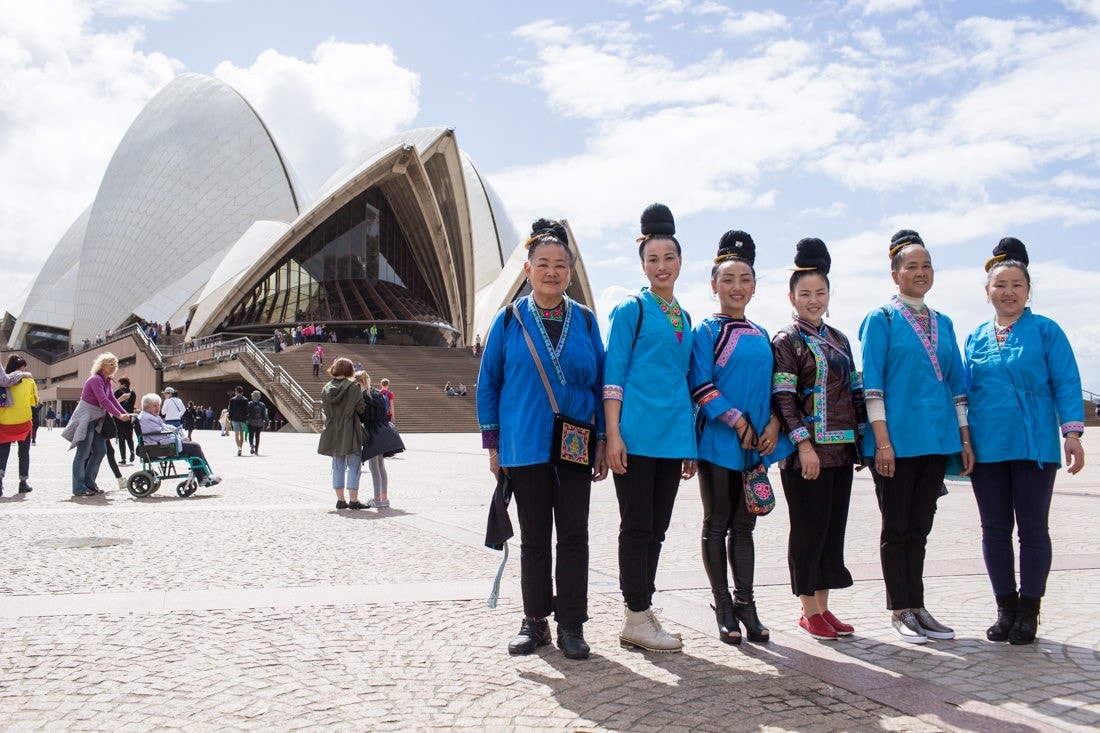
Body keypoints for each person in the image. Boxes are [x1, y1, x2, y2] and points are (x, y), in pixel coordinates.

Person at [477, 218, 608, 660]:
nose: (552, 272)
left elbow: (601, 383)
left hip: (574, 442)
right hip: (525, 443)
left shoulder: (586, 321)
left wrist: (604, 440)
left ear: (570, 272)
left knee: (574, 535)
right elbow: (489, 383)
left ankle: (571, 623)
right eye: (543, 264)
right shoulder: (509, 319)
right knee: (534, 537)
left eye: (560, 265)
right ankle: (535, 621)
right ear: (528, 269)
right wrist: (493, 444)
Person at [964, 237, 1085, 645]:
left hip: (1034, 445)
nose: (1009, 292)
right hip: (987, 446)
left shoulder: (1047, 331)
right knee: (994, 529)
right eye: (1000, 285)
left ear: (1028, 290)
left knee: (1032, 528)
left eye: (1017, 284)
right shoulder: (975, 337)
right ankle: (1006, 608)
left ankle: (1030, 610)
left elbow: (1067, 381)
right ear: (987, 293)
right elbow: (964, 392)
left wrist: (1071, 433)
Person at [859, 229, 973, 644]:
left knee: (920, 528)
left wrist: (963, 439)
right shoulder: (882, 320)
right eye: (912, 266)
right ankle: (899, 610)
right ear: (895, 274)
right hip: (894, 443)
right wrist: (883, 442)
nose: (920, 272)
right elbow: (873, 384)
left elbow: (957, 386)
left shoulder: (944, 322)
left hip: (936, 440)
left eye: (927, 266)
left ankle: (918, 605)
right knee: (897, 526)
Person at [689, 230, 792, 646]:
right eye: (728, 280)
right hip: (718, 441)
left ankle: (746, 603)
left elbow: (773, 386)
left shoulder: (761, 332)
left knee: (744, 526)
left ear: (754, 285)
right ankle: (722, 605)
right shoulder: (706, 332)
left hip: (756, 445)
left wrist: (773, 425)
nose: (736, 287)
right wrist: (735, 421)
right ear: (714, 285)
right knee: (717, 524)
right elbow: (700, 384)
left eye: (745, 279)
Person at [604, 203, 697, 653]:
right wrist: (613, 435)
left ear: (681, 262)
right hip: (636, 437)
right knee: (636, 526)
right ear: (642, 264)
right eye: (653, 258)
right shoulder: (630, 310)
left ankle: (641, 612)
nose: (662, 266)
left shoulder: (686, 317)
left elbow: (683, 383)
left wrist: (689, 444)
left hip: (672, 438)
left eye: (669, 258)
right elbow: (613, 377)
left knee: (657, 528)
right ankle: (636, 614)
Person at [771, 238, 865, 641]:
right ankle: (808, 610)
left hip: (841, 453)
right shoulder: (786, 341)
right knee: (808, 530)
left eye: (820, 293)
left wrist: (862, 443)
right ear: (791, 297)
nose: (813, 300)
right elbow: (783, 398)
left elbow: (855, 392)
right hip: (805, 455)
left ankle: (824, 608)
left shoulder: (840, 339)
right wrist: (803, 445)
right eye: (805, 293)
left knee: (831, 531)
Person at [61, 353, 132, 496]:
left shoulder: (106, 381)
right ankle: (79, 487)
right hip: (86, 419)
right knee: (83, 454)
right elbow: (104, 400)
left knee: (100, 451)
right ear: (102, 365)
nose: (114, 367)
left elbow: (112, 399)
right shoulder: (95, 379)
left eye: (115, 364)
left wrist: (127, 414)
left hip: (97, 420)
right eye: (110, 364)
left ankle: (89, 483)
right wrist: (119, 415)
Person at [137, 393, 221, 486]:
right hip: (159, 446)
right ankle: (203, 477)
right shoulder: (147, 418)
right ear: (147, 407)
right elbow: (159, 435)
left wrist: (175, 432)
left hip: (161, 444)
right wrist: (179, 438)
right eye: (154, 406)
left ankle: (204, 476)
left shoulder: (150, 416)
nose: (158, 408)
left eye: (158, 405)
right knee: (195, 447)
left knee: (193, 447)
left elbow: (163, 428)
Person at [318, 357, 367, 510]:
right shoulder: (352, 388)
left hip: (332, 429)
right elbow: (361, 409)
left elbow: (325, 409)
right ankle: (353, 500)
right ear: (350, 370)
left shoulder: (326, 388)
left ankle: (340, 500)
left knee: (337, 464)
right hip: (350, 429)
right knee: (354, 464)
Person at [354, 371, 399, 508]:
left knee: (374, 466)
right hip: (384, 430)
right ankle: (384, 498)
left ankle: (377, 498)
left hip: (373, 432)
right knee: (380, 465)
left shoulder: (365, 396)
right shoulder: (377, 393)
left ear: (359, 383)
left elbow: (364, 417)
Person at [0, 355, 39, 495]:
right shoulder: (29, 381)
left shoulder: (4, 380)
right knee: (23, 453)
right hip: (23, 421)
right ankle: (23, 483)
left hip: (5, 421)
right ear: (22, 367)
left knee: (3, 453)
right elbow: (34, 401)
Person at [114, 376, 138, 464]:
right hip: (129, 417)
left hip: (119, 417)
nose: (118, 385)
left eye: (119, 383)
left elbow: (113, 403)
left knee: (121, 438)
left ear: (123, 384)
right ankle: (132, 451)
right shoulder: (133, 393)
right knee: (129, 436)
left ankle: (123, 459)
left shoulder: (117, 393)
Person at [227, 385, 250, 456]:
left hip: (235, 419)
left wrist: (230, 418)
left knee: (236, 434)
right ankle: (241, 448)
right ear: (242, 392)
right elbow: (246, 410)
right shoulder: (245, 400)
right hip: (242, 419)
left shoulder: (232, 400)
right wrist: (246, 417)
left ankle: (239, 448)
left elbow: (230, 410)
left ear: (236, 392)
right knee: (242, 434)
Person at [247, 391, 268, 455]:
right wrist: (267, 422)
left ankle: (251, 446)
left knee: (251, 435)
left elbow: (247, 413)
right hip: (259, 423)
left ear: (252, 396)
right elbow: (264, 415)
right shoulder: (262, 404)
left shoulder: (249, 404)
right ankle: (256, 450)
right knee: (257, 436)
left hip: (251, 422)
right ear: (259, 397)